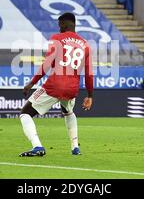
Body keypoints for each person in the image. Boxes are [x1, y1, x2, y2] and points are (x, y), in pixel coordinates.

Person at [18, 12, 93, 157]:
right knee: (68, 112)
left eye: (60, 25)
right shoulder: (85, 44)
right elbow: (89, 73)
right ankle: (75, 147)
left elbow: (47, 64)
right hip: (72, 88)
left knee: (25, 113)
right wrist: (90, 95)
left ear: (65, 23)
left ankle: (37, 146)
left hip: (54, 85)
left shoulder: (57, 38)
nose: (59, 28)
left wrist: (32, 83)